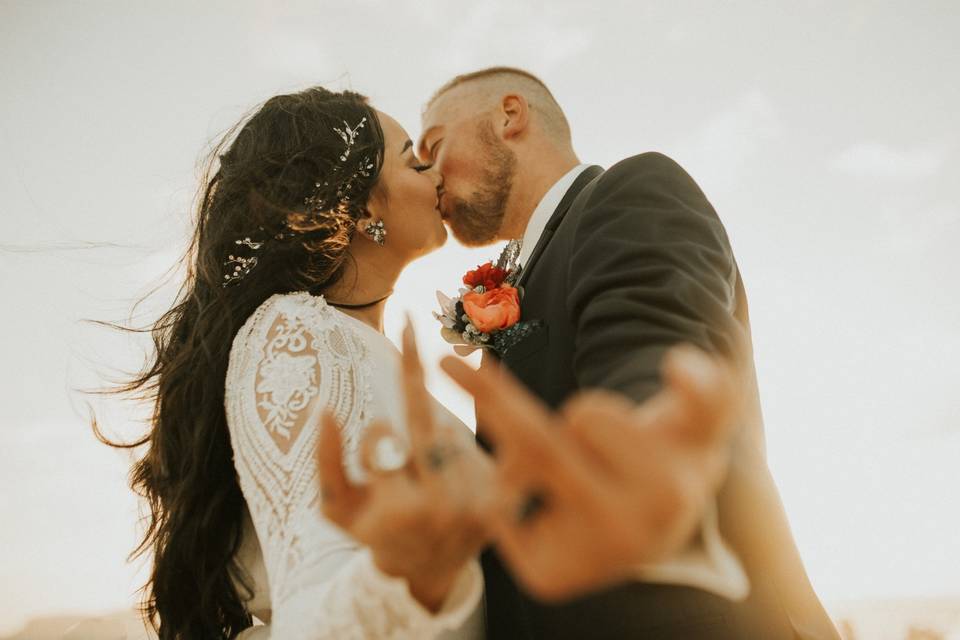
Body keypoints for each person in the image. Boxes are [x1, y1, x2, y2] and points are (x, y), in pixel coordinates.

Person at [418, 66, 840, 639]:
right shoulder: (523, 272)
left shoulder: (630, 192)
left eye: (435, 146)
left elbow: (652, 345)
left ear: (509, 116)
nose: (430, 176)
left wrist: (646, 435)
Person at [102, 87, 490, 639]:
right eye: (412, 159)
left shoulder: (358, 343)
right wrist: (412, 572)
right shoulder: (295, 334)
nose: (435, 176)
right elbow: (313, 594)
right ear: (364, 207)